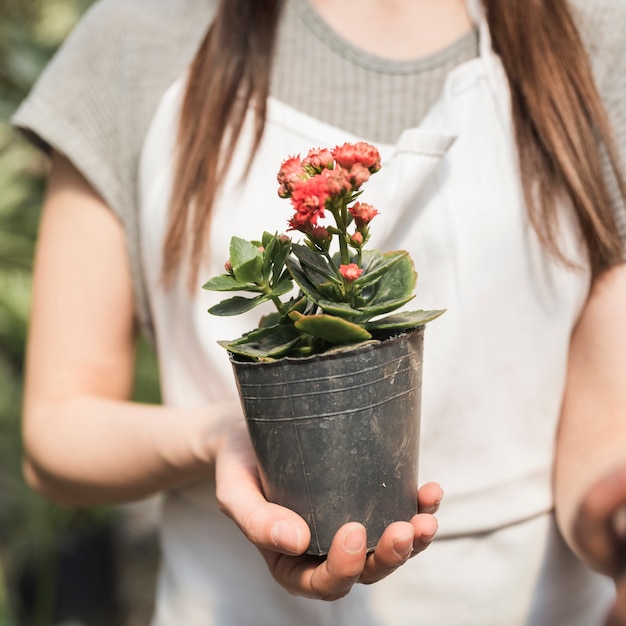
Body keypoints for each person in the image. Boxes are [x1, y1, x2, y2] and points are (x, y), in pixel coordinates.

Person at [12, 0, 626, 623]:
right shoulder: (140, 35)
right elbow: (55, 435)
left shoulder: (591, 35)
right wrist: (223, 437)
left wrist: (617, 517)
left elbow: (605, 429)